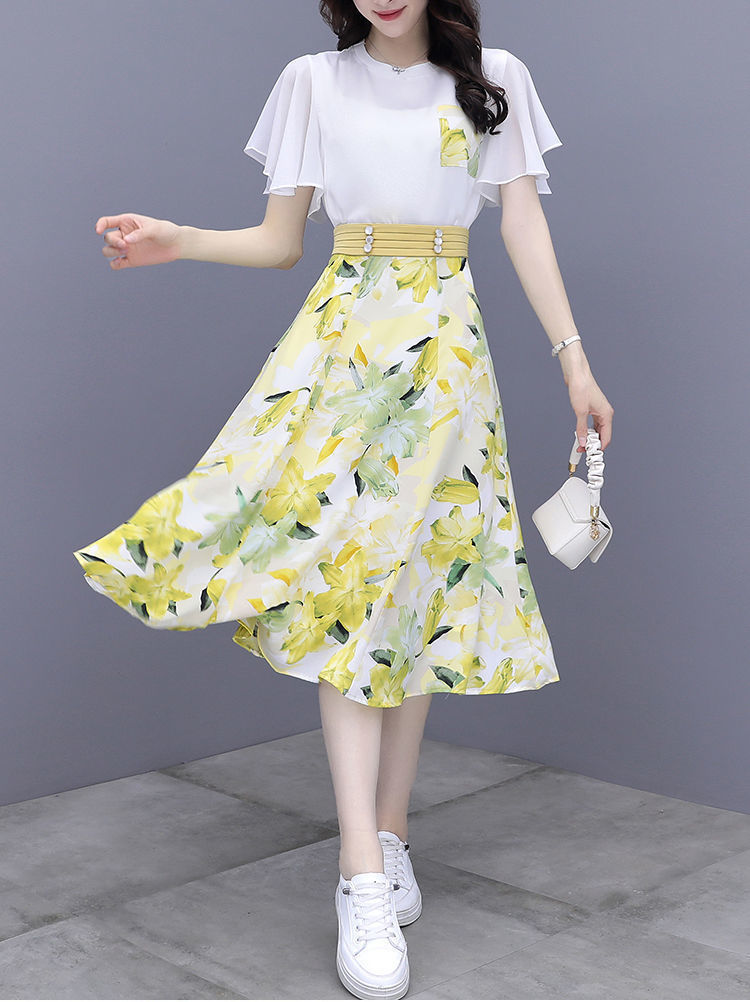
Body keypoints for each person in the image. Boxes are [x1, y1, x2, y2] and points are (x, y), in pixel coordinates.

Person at [73, 0, 614, 997]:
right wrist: (179, 239)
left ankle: (390, 836)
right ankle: (360, 874)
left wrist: (573, 363)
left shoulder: (495, 77)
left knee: (415, 591)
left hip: (448, 360)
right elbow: (283, 241)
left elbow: (522, 220)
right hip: (346, 351)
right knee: (349, 596)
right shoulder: (311, 82)